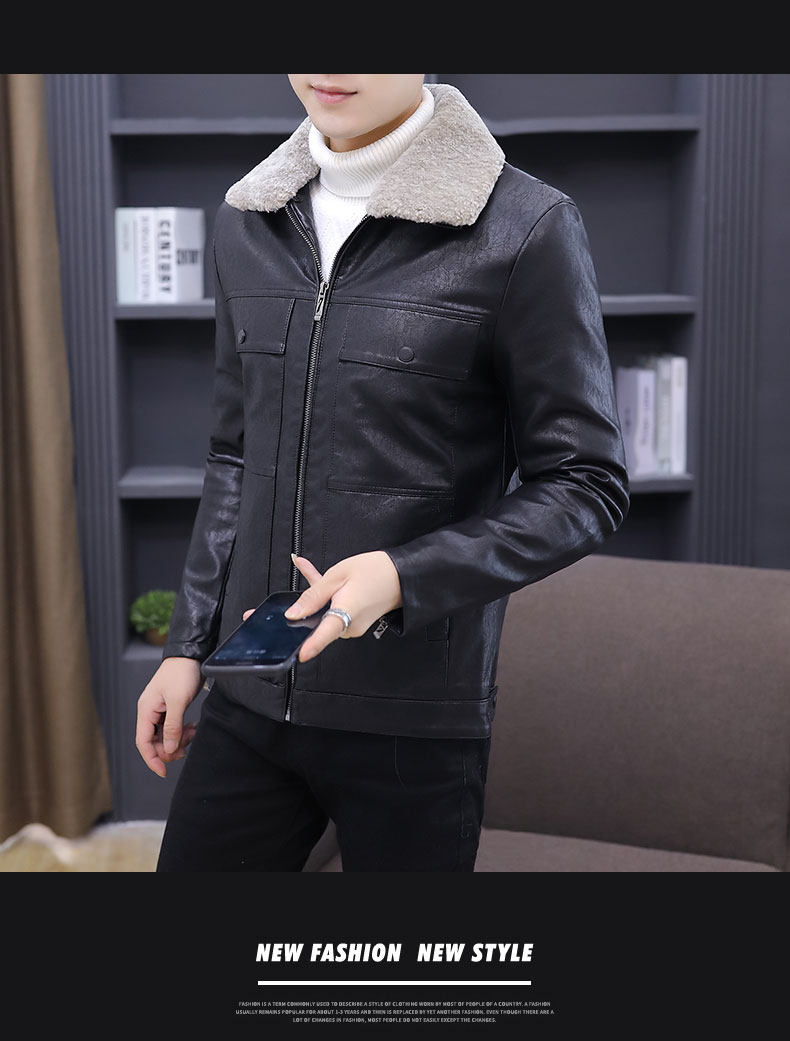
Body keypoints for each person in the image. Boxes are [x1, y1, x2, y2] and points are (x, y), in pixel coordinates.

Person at [136, 74, 629, 872]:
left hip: (414, 722)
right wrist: (186, 645)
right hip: (251, 690)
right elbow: (235, 454)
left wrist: (401, 576)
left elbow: (586, 483)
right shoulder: (248, 220)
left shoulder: (524, 227)